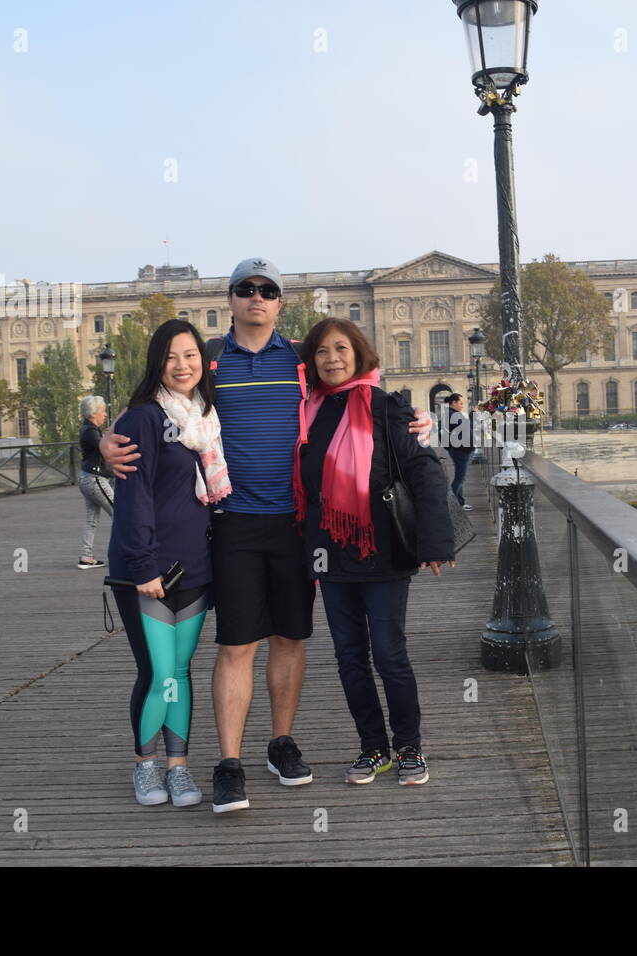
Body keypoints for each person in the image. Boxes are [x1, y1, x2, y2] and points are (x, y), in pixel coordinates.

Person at [100, 257, 432, 812]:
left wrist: (416, 419)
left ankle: (280, 744)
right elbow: (157, 409)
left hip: (298, 524)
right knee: (236, 645)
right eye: (245, 289)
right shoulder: (207, 361)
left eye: (268, 289)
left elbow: (361, 392)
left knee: (290, 639)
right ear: (228, 299)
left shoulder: (301, 360)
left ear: (280, 301)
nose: (256, 297)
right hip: (230, 524)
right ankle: (228, 763)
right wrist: (100, 445)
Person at [293, 318, 455, 785]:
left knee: (389, 654)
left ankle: (410, 748)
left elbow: (425, 473)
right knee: (349, 657)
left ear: (359, 353)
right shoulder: (307, 411)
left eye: (341, 349)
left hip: (382, 552)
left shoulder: (386, 409)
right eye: (321, 351)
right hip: (331, 554)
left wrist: (435, 543)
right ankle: (372, 747)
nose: (332, 359)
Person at [107, 319, 229, 808]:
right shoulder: (142, 419)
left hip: (196, 566)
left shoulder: (207, 419)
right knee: (159, 673)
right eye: (172, 357)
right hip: (148, 569)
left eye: (191, 355)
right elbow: (134, 499)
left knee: (181, 669)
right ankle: (144, 765)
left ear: (203, 361)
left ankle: (178, 768)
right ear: (158, 363)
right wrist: (143, 567)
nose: (183, 366)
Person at [77, 395, 114, 570]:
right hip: (94, 478)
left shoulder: (89, 429)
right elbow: (107, 450)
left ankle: (86, 556)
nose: (105, 414)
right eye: (102, 411)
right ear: (93, 413)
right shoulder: (91, 432)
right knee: (121, 515)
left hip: (86, 477)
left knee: (91, 520)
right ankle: (121, 555)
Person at [444, 393, 474, 512]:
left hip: (459, 449)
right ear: (454, 403)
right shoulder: (452, 415)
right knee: (460, 478)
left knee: (460, 476)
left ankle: (459, 502)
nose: (462, 405)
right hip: (460, 450)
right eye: (460, 403)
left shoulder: (452, 414)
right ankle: (451, 503)